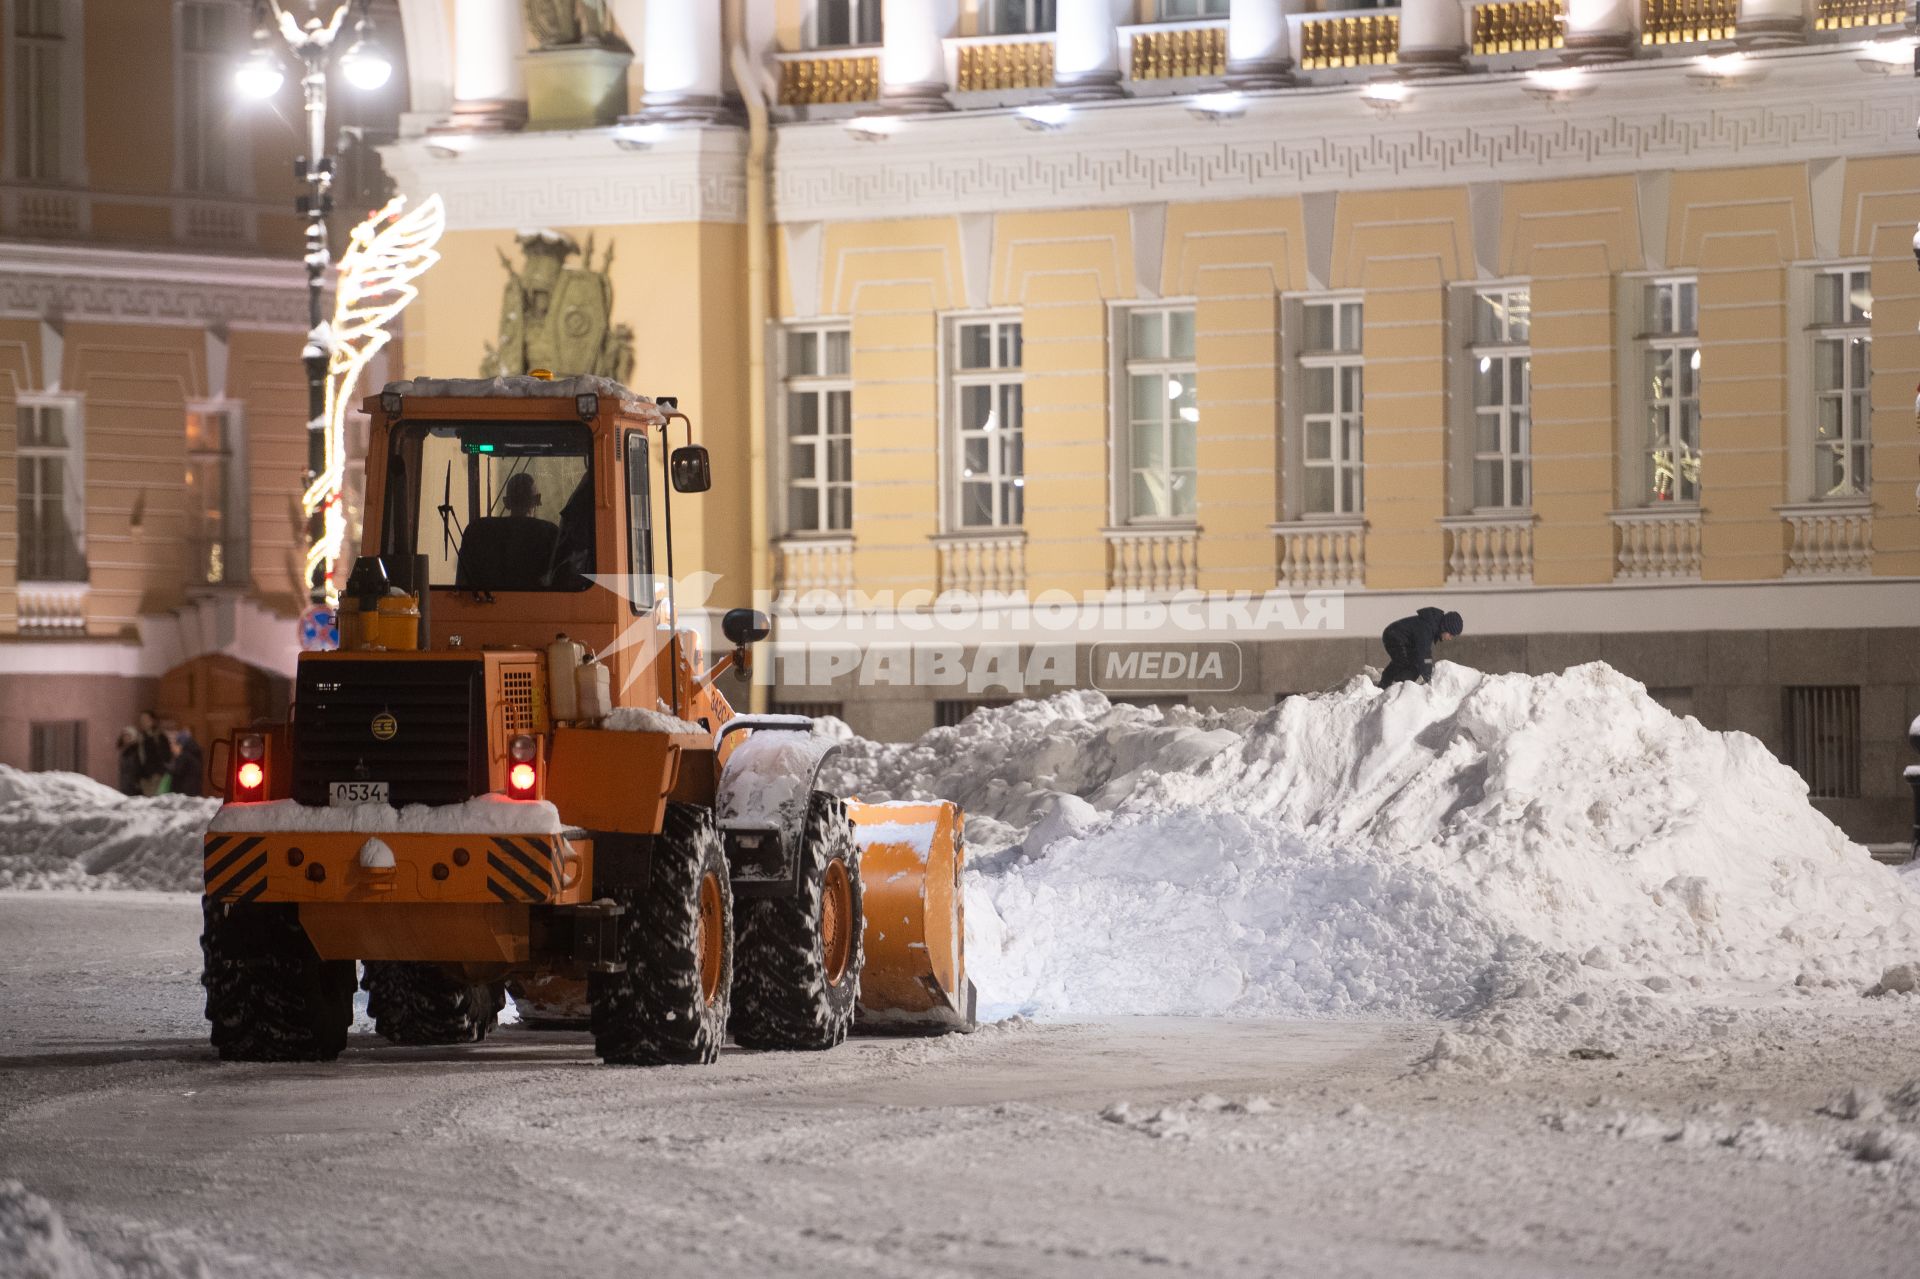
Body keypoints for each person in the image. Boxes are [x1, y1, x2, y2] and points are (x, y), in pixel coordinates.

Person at [456, 470, 561, 591]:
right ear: (537, 500)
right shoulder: (550, 534)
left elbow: (462, 585)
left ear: (506, 502)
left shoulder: (478, 531)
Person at [1379, 608, 1463, 688]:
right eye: (1451, 634)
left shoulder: (1432, 626)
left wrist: (1426, 672)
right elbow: (1424, 652)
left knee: (1413, 665)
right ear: (1445, 627)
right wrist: (1427, 676)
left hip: (1403, 639)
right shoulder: (1426, 627)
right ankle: (1392, 686)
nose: (1450, 638)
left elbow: (1424, 654)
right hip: (1394, 636)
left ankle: (1392, 683)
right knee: (1404, 662)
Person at [134, 710, 173, 797]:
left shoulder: (159, 736)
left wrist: (159, 771)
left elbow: (166, 755)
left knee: (155, 801)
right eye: (141, 720)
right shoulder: (140, 738)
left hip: (156, 776)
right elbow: (138, 759)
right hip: (144, 777)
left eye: (145, 720)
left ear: (152, 721)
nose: (143, 722)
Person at [168, 726, 205, 798]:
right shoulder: (193, 753)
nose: (171, 749)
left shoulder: (184, 756)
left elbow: (177, 771)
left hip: (185, 793)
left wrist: (166, 768)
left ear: (180, 745)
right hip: (194, 790)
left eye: (174, 745)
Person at [115, 727, 142, 796]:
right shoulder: (124, 750)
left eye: (128, 736)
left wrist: (137, 781)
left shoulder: (136, 750)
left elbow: (137, 766)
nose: (126, 738)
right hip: (125, 781)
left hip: (133, 782)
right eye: (124, 735)